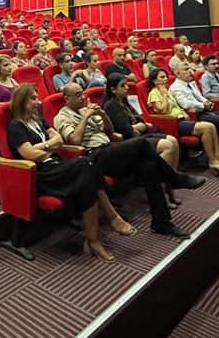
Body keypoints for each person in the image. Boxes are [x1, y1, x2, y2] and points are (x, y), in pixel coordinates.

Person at [54, 82, 204, 238]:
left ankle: (161, 222)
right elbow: (75, 140)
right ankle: (175, 178)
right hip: (93, 156)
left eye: (82, 93)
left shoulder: (86, 109)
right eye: (78, 95)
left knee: (150, 167)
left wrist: (102, 114)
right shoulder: (62, 117)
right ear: (67, 98)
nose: (83, 97)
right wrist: (85, 118)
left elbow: (110, 131)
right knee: (142, 143)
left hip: (110, 149)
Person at [8, 85, 134, 262]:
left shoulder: (38, 120)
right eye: (33, 98)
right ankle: (111, 218)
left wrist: (44, 147)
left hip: (55, 165)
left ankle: (93, 240)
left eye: (38, 97)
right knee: (85, 163)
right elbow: (29, 154)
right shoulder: (16, 126)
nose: (39, 102)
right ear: (22, 101)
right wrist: (49, 147)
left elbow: (59, 140)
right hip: (41, 174)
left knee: (87, 180)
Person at [146, 70, 219, 175]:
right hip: (172, 123)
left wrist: (184, 113)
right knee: (207, 127)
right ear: (154, 81)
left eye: (166, 76)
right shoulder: (154, 93)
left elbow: (176, 107)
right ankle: (213, 162)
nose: (166, 79)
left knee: (211, 126)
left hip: (181, 119)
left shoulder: (165, 90)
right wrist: (164, 95)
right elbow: (162, 110)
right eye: (162, 77)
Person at [103, 74, 182, 191]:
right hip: (129, 142)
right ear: (113, 90)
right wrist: (139, 126)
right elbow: (127, 130)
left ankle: (170, 182)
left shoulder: (124, 101)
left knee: (173, 140)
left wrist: (140, 126)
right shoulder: (110, 106)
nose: (127, 87)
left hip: (140, 135)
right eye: (123, 86)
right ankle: (159, 188)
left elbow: (140, 119)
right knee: (168, 146)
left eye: (126, 84)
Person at [169, 67, 219, 167]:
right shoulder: (176, 87)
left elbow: (200, 96)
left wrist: (206, 102)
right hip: (196, 115)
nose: (190, 72)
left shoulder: (191, 83)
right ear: (177, 74)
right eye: (185, 69)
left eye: (189, 69)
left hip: (206, 110)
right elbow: (185, 104)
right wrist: (202, 105)